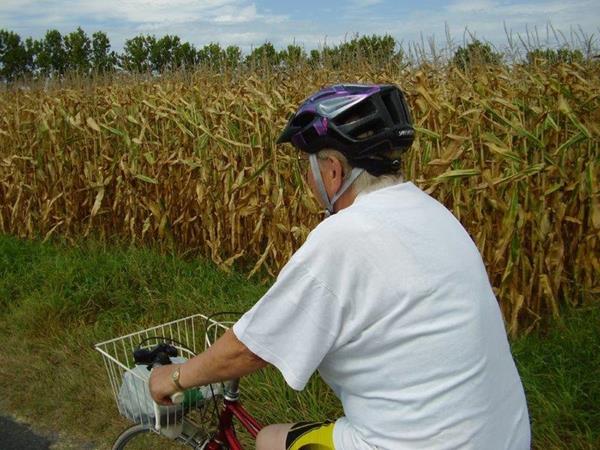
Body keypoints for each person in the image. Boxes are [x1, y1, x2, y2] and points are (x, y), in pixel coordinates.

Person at [150, 84, 531, 449]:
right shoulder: (434, 212)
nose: (308, 178)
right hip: (506, 435)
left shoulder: (344, 236)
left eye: (309, 166)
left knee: (268, 440)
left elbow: (248, 351)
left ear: (333, 170)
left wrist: (173, 378)